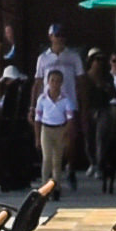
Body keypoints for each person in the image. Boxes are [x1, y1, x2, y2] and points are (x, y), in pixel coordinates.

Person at [30, 23, 81, 193]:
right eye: (56, 35)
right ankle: (48, 184)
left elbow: (80, 82)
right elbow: (37, 82)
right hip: (48, 105)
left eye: (62, 35)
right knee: (48, 153)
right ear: (50, 36)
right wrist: (32, 106)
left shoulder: (73, 57)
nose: (59, 38)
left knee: (69, 143)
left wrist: (83, 106)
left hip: (68, 103)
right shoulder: (43, 59)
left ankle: (70, 169)